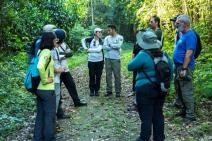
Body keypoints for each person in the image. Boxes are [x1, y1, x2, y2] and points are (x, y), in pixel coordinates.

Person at [128, 31, 173, 141]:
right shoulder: (165, 55)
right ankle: (159, 138)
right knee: (158, 114)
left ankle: (144, 138)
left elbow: (130, 66)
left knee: (146, 116)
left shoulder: (143, 55)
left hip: (144, 90)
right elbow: (171, 73)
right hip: (161, 89)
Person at [54, 29, 87, 119]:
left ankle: (77, 102)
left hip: (65, 69)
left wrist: (62, 55)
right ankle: (59, 112)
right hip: (57, 71)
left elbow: (70, 53)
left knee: (71, 85)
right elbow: (56, 55)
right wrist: (63, 54)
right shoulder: (52, 45)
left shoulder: (64, 44)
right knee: (58, 92)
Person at [173, 14, 197, 123]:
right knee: (180, 90)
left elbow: (189, 53)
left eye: (178, 23)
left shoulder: (190, 35)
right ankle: (184, 110)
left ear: (185, 24)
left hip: (185, 67)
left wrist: (184, 68)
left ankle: (190, 115)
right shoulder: (183, 34)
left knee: (186, 91)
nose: (176, 25)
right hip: (179, 66)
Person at [34, 32, 57, 141]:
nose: (55, 41)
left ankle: (37, 138)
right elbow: (40, 66)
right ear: (50, 40)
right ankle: (49, 138)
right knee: (49, 116)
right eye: (54, 39)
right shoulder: (47, 52)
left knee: (40, 116)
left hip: (39, 89)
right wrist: (45, 80)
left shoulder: (40, 51)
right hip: (47, 90)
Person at [81, 28, 104, 96]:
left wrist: (88, 50)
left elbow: (98, 50)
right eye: (99, 32)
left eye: (101, 32)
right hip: (91, 60)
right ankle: (91, 90)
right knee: (91, 75)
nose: (100, 33)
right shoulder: (90, 39)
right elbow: (82, 40)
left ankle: (97, 90)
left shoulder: (101, 41)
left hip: (100, 60)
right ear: (95, 33)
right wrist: (85, 47)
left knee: (98, 75)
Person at [103, 24, 123, 97]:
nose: (108, 32)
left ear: (114, 30)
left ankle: (118, 92)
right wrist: (113, 46)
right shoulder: (107, 38)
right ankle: (109, 91)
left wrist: (110, 45)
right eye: (108, 30)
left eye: (109, 30)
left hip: (116, 59)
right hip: (107, 58)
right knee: (108, 75)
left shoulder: (120, 37)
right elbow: (104, 46)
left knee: (117, 75)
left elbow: (119, 46)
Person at [170, 15, 183, 109]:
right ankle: (178, 100)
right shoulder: (177, 32)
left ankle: (182, 103)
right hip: (176, 62)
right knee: (176, 81)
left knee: (181, 82)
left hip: (181, 63)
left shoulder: (182, 33)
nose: (174, 23)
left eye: (175, 21)